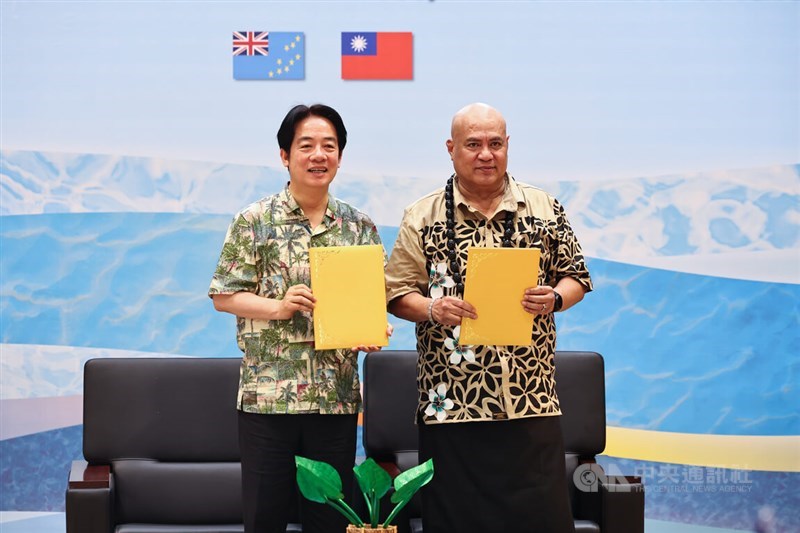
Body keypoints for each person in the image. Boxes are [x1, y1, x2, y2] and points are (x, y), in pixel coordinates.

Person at [385, 103, 592, 532]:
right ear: (451, 148)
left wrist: (553, 298)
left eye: (495, 144)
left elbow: (577, 277)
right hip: (451, 405)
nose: (486, 154)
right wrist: (431, 308)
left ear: (507, 146)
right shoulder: (422, 216)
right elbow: (395, 293)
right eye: (473, 144)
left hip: (530, 400)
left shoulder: (543, 207)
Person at [209, 104, 388, 533]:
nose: (318, 155)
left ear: (340, 157)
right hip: (269, 398)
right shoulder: (254, 220)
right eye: (305, 145)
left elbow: (370, 299)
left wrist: (370, 329)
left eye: (329, 146)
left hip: (335, 400)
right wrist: (278, 307)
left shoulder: (358, 225)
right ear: (285, 156)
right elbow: (224, 294)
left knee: (329, 520)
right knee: (265, 517)